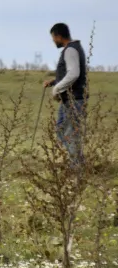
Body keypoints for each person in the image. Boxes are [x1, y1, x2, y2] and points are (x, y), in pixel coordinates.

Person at [43, 23, 87, 167]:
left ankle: (77, 167)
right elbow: (70, 73)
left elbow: (74, 74)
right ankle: (78, 163)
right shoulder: (74, 48)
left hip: (73, 99)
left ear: (58, 36)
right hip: (72, 98)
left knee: (68, 132)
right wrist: (53, 82)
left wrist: (56, 88)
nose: (53, 41)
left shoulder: (70, 50)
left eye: (53, 38)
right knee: (64, 130)